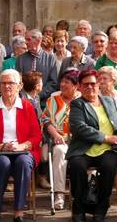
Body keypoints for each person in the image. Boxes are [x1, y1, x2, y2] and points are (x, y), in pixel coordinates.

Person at [66, 69, 117, 222]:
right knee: (77, 166)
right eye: (86, 84)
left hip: (107, 150)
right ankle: (79, 209)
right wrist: (106, 137)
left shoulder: (108, 100)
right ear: (79, 87)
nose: (90, 87)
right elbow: (79, 127)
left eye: (93, 84)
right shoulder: (77, 104)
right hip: (83, 148)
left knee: (108, 167)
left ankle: (101, 208)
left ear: (98, 85)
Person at [0, 69, 42, 222]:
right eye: (3, 83)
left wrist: (22, 146)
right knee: (3, 163)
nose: (7, 86)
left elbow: (37, 136)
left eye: (11, 83)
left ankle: (19, 212)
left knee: (23, 162)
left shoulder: (27, 106)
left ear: (20, 86)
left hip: (23, 151)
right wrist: (0, 146)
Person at [41, 68, 81, 210]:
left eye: (67, 82)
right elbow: (46, 120)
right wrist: (56, 135)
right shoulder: (53, 99)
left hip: (80, 141)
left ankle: (83, 194)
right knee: (59, 151)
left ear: (76, 86)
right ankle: (59, 193)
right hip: (59, 140)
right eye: (62, 81)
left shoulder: (83, 101)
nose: (63, 85)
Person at [15, 29, 58, 105]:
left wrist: (38, 95)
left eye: (28, 39)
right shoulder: (20, 59)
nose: (26, 42)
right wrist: (26, 96)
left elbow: (53, 83)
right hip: (24, 102)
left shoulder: (50, 59)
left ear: (38, 41)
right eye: (25, 39)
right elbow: (17, 80)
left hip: (44, 103)